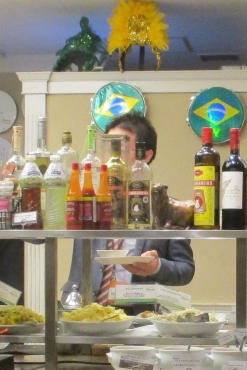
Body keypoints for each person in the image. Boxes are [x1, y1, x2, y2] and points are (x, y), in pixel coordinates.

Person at [62, 113, 194, 308]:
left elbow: (185, 269)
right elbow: (38, 236)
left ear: (145, 155)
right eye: (109, 148)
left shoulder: (167, 207)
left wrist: (156, 266)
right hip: (84, 310)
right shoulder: (87, 201)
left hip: (138, 315)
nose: (112, 158)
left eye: (121, 149)